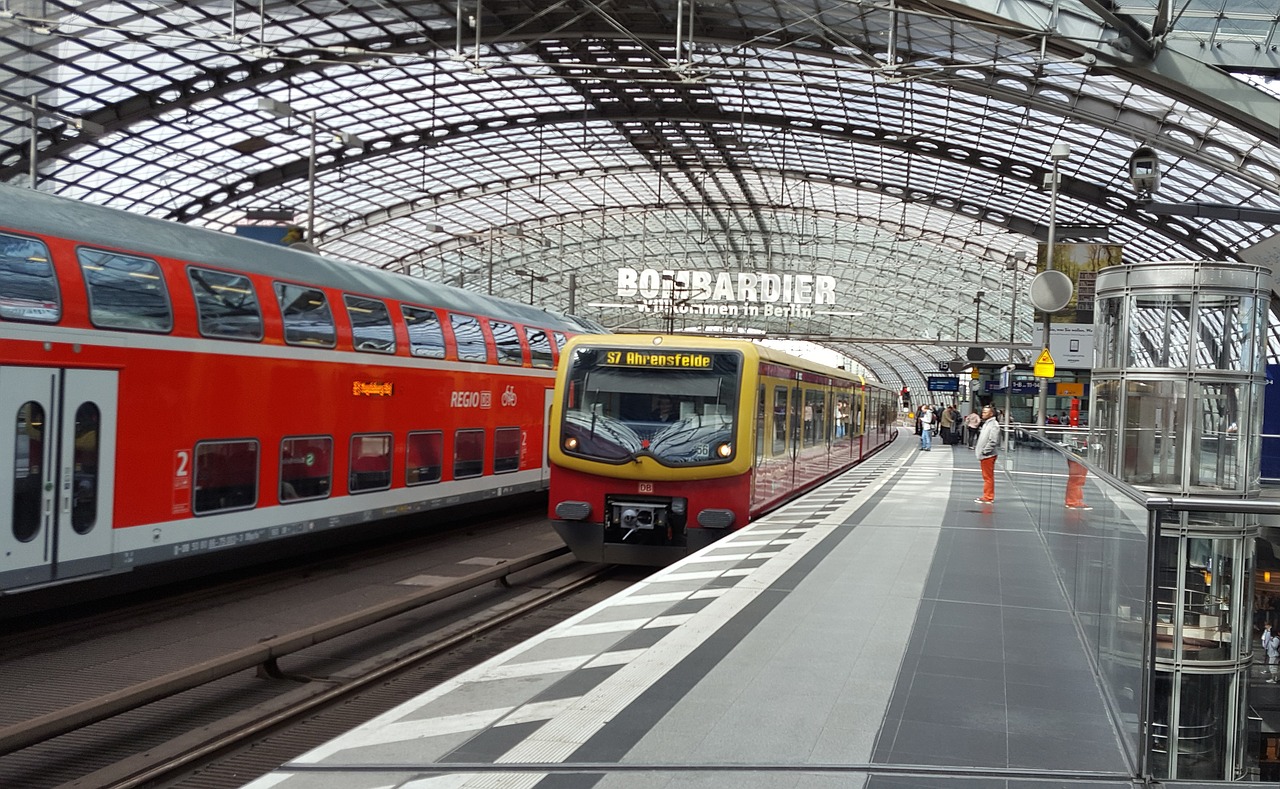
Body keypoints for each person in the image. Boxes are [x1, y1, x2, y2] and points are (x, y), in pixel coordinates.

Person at [974, 403, 999, 504]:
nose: (982, 414)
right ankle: (987, 495)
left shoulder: (994, 425)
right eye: (983, 412)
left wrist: (985, 451)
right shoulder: (987, 423)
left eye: (985, 412)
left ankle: (988, 497)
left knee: (988, 477)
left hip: (988, 455)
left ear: (991, 414)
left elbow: (993, 440)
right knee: (987, 476)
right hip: (985, 455)